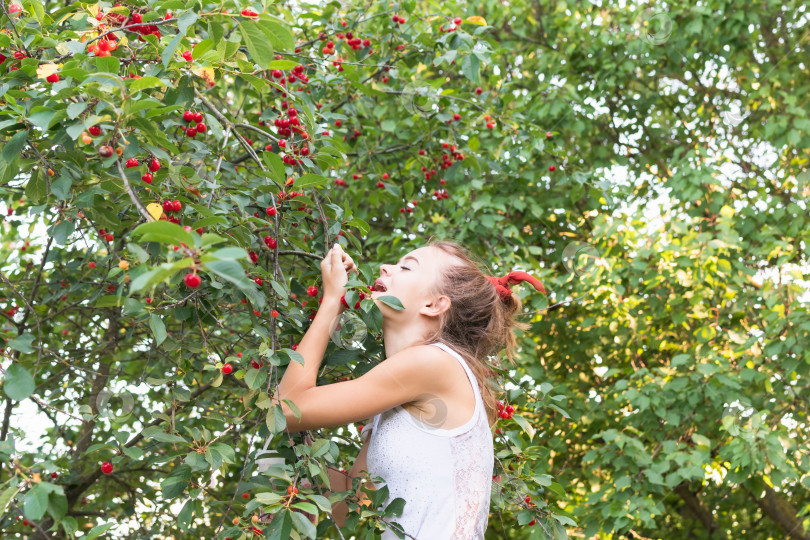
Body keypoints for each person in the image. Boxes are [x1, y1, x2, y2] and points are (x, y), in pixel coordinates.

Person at [271, 238, 546, 538]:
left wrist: (332, 300)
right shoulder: (401, 393)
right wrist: (288, 482)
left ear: (433, 304)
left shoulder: (432, 363)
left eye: (405, 267)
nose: (386, 268)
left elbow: (286, 409)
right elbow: (354, 501)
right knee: (272, 461)